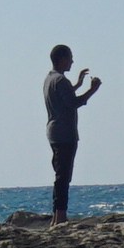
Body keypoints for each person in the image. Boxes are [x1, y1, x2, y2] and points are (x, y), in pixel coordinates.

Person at [38, 46, 101, 218]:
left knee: (61, 173)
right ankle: (60, 215)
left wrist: (79, 84)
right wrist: (92, 90)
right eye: (70, 58)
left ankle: (57, 215)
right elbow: (73, 103)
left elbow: (64, 96)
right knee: (63, 175)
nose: (72, 61)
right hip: (64, 134)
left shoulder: (50, 79)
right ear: (62, 59)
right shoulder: (61, 81)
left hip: (53, 132)